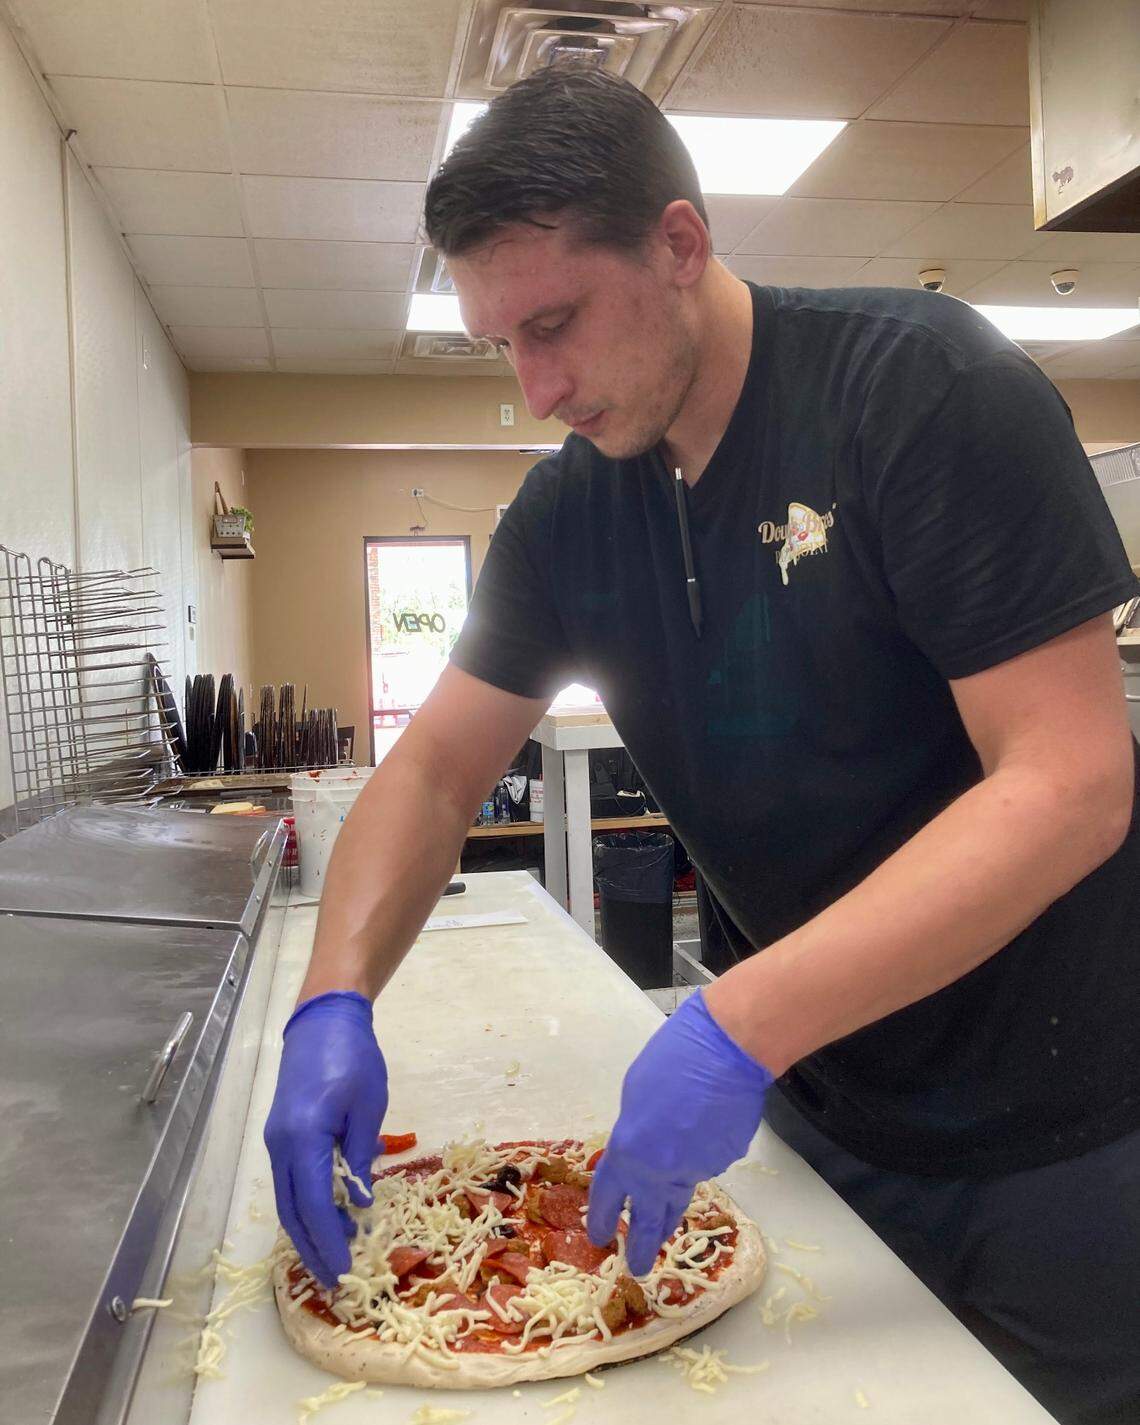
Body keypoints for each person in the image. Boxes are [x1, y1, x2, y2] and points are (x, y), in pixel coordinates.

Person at [264, 69, 1140, 1424]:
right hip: (812, 1118)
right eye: (501, 342)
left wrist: (734, 1023)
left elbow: (1071, 782)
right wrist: (333, 1000)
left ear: (680, 244)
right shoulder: (566, 517)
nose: (536, 384)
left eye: (554, 323)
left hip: (1054, 1133)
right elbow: (434, 769)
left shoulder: (921, 394)